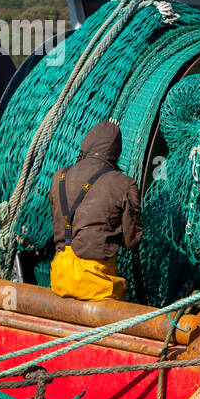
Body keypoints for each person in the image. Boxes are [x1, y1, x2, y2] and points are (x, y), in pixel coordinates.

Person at [48, 120, 142, 301]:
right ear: (116, 151)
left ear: (87, 142)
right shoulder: (124, 183)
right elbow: (132, 242)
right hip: (97, 284)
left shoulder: (59, 175)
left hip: (60, 277)